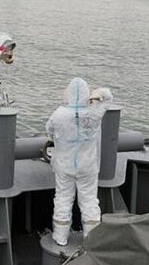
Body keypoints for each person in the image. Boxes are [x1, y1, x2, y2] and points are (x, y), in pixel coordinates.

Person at [46, 78, 113, 246]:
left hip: (64, 164)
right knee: (89, 201)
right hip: (88, 165)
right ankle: (90, 238)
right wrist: (98, 94)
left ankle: (60, 236)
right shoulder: (94, 113)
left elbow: (49, 132)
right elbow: (108, 97)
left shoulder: (59, 114)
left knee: (62, 199)